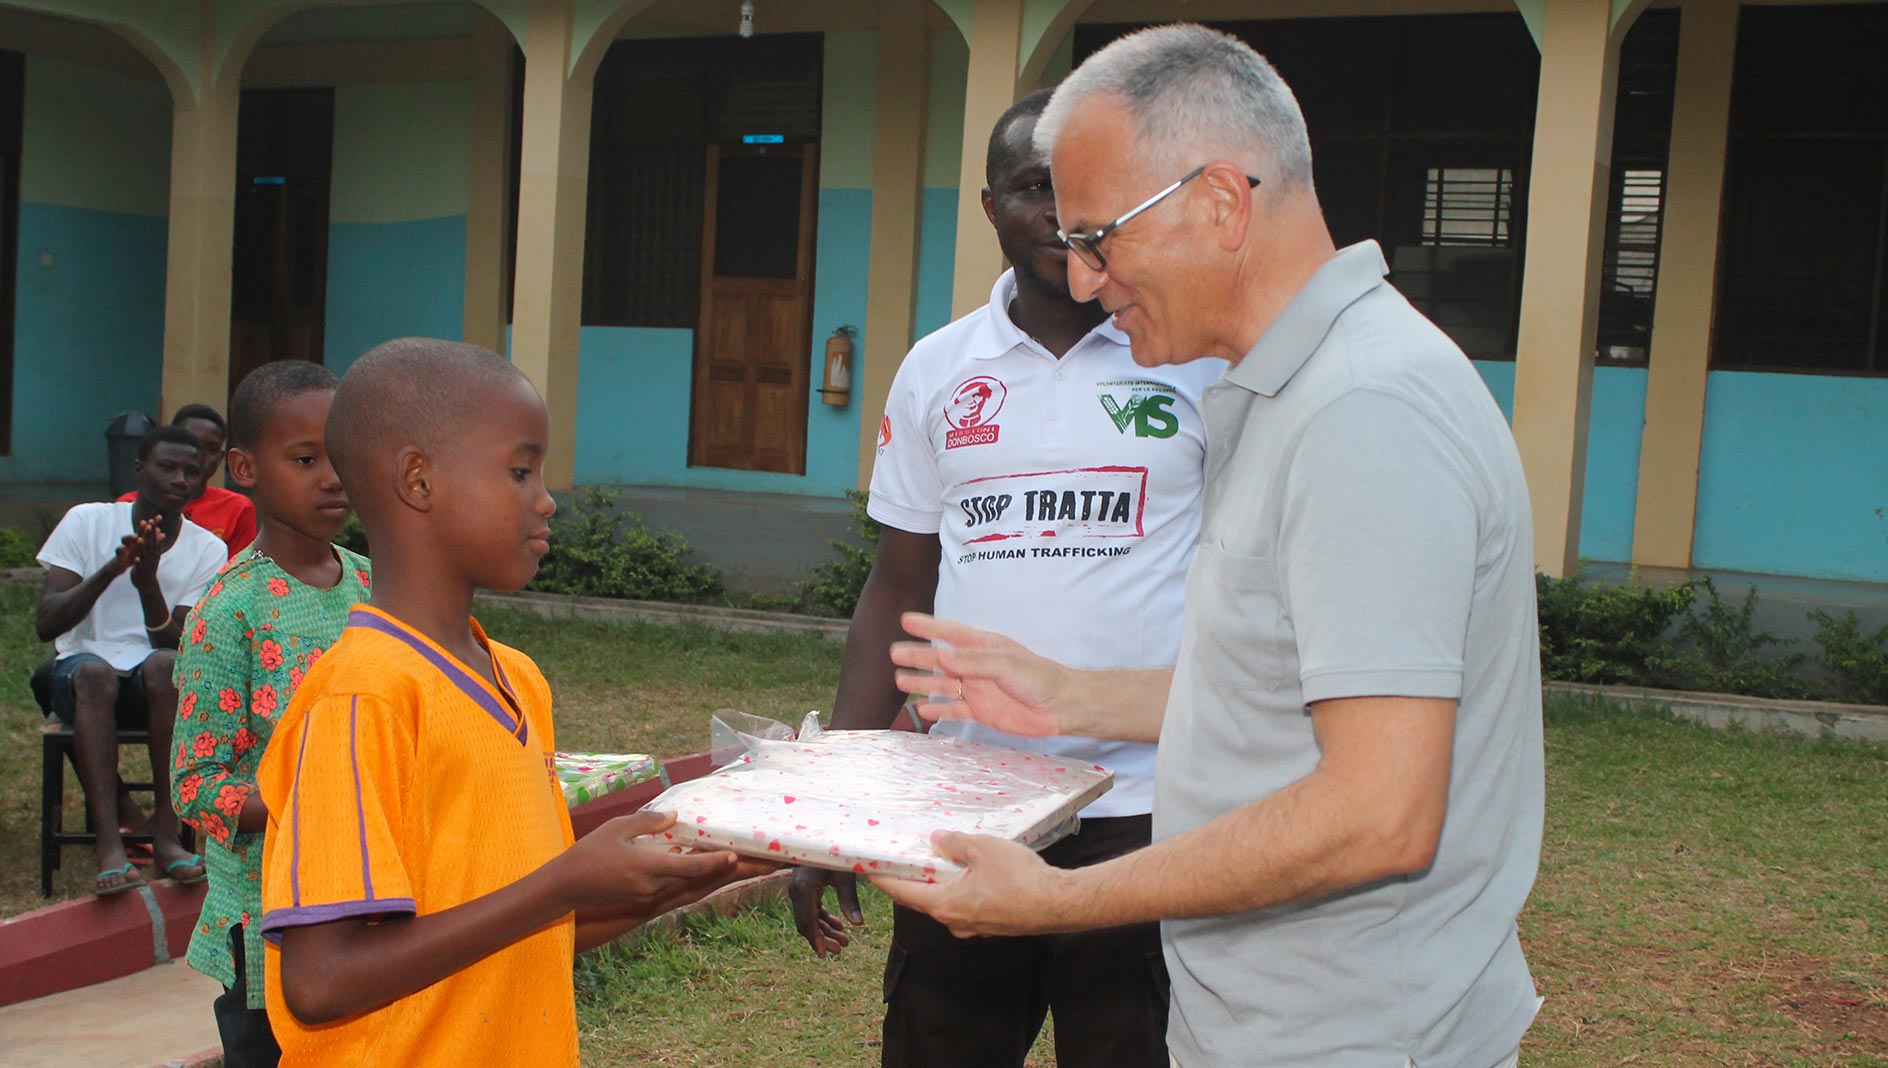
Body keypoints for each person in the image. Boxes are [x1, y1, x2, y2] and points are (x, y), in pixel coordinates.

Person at [874, 25, 1545, 1068]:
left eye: (1100, 236)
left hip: (1351, 1037)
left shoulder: (1362, 410)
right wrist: (1072, 697)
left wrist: (1058, 897)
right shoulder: (1283, 390)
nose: (1085, 278)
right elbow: (1289, 698)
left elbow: (1376, 813)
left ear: (1222, 203)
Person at [788, 90, 1222, 1068]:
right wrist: (832, 806)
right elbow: (897, 588)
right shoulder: (938, 371)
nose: (1067, 221)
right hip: (966, 811)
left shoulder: (1190, 364)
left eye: (1089, 196)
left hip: (1144, 813)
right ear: (988, 205)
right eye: (1037, 191)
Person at [255, 338, 772, 1067]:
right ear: (418, 480)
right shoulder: (361, 696)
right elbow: (320, 980)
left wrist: (673, 881)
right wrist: (563, 880)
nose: (546, 498)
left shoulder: (517, 677)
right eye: (520, 470)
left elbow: (524, 915)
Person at [172, 361, 368, 1068]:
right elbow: (195, 784)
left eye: (342, 456)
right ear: (245, 468)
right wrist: (309, 801)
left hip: (368, 901)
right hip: (269, 924)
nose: (333, 478)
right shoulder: (230, 611)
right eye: (307, 459)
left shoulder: (375, 586)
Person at [36, 425, 224, 894]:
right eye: (168, 467)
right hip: (80, 673)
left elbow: (178, 643)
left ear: (203, 483)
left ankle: (167, 839)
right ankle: (110, 848)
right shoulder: (87, 521)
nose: (181, 479)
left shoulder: (209, 549)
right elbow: (47, 623)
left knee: (164, 666)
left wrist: (147, 584)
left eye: (192, 472)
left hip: (152, 687)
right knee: (97, 675)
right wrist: (112, 570)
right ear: (139, 470)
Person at [119, 403, 258, 558]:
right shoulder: (128, 505)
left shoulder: (237, 508)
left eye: (211, 448)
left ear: (220, 459)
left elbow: (239, 572)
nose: (199, 455)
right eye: (190, 443)